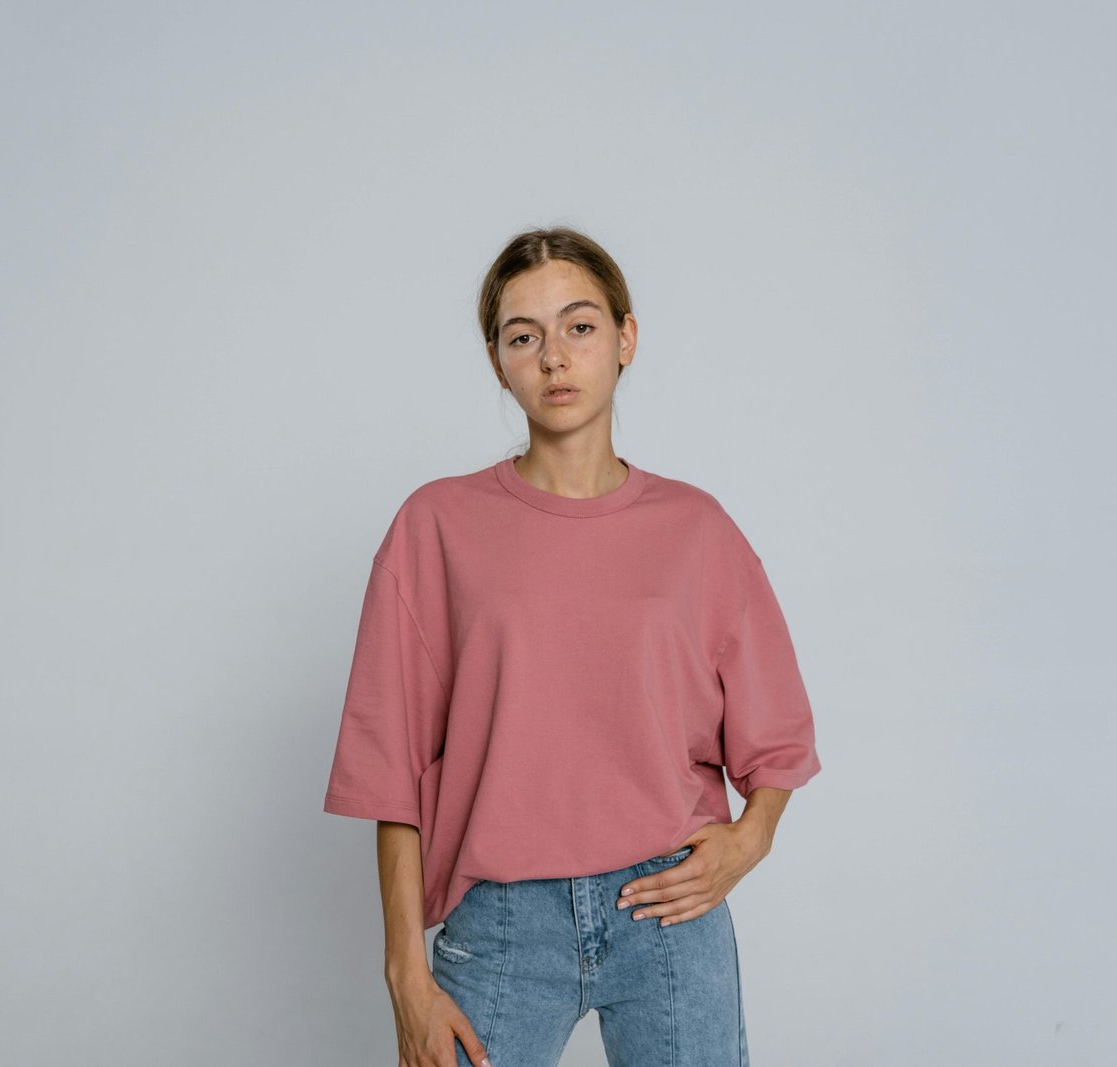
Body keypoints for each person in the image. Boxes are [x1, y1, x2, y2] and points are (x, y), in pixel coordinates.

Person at [322, 226, 822, 1067]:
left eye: (579, 326)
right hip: (505, 923)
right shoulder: (436, 526)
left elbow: (777, 739)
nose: (554, 357)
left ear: (625, 337)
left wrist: (749, 839)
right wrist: (404, 969)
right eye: (525, 336)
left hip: (668, 914)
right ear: (497, 361)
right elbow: (389, 765)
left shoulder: (695, 529)